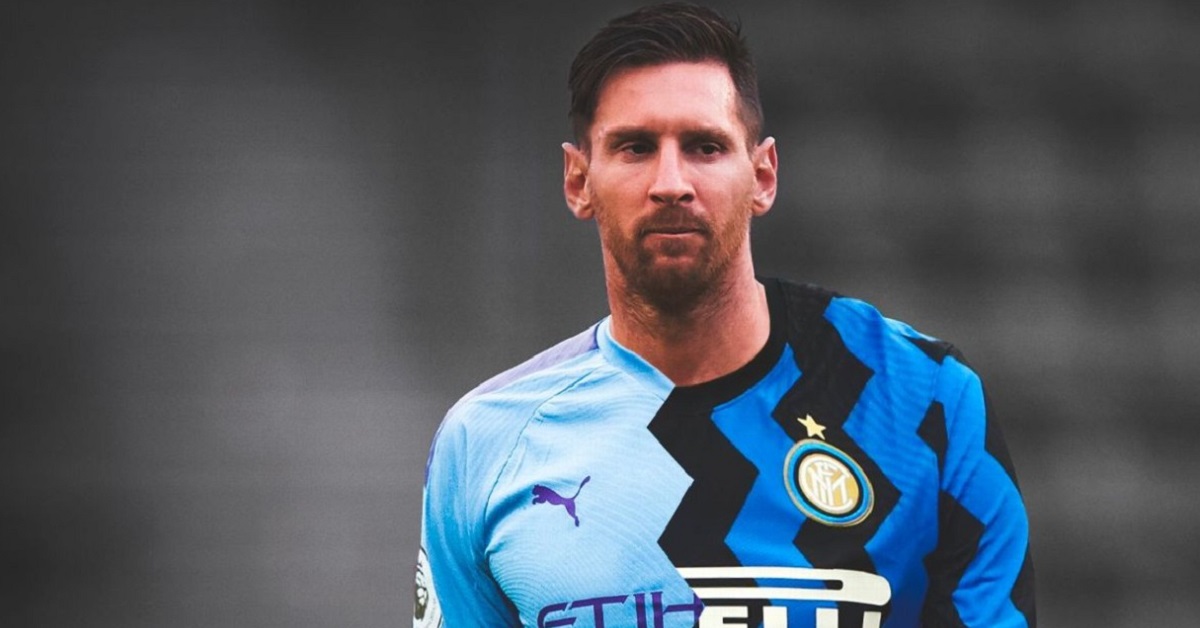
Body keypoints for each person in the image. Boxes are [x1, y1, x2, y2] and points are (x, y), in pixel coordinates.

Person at [414, 3, 1035, 627]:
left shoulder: (923, 401)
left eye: (705, 147)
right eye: (635, 147)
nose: (671, 182)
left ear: (762, 176)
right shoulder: (486, 443)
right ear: (579, 182)